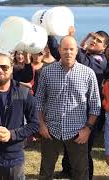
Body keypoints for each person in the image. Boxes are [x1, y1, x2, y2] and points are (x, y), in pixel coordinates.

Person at [36, 35, 101, 180]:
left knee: (80, 172)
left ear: (77, 50)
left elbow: (95, 105)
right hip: (50, 130)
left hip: (77, 132)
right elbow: (39, 100)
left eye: (72, 49)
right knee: (46, 171)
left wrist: (88, 129)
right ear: (59, 50)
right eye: (65, 49)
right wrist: (41, 125)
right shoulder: (47, 72)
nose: (68, 52)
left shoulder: (88, 73)